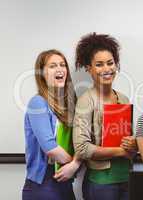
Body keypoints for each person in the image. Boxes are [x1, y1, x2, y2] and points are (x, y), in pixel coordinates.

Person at [73, 33, 137, 200]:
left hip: (127, 179)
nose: (107, 69)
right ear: (89, 68)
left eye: (110, 63)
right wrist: (120, 151)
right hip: (101, 183)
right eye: (99, 65)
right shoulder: (86, 100)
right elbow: (81, 147)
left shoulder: (123, 98)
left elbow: (127, 140)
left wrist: (133, 143)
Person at [22, 49, 80, 200]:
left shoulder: (69, 105)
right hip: (43, 185)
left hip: (65, 183)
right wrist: (74, 163)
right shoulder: (38, 103)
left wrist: (74, 165)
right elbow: (50, 148)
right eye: (53, 66)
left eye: (62, 64)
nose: (60, 69)